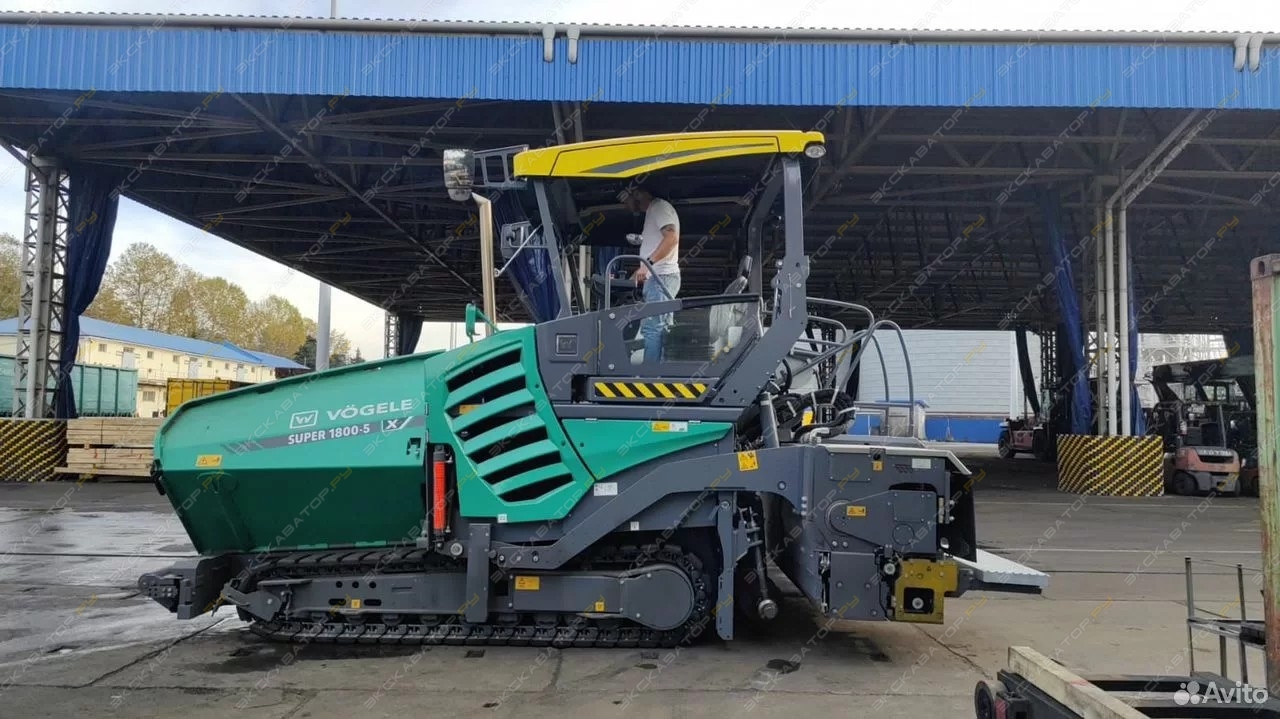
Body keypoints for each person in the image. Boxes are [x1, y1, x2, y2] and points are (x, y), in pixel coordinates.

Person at [619, 187, 681, 363]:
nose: (626, 205)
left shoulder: (658, 207)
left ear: (638, 194)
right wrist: (638, 273)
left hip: (661, 279)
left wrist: (647, 265)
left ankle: (650, 374)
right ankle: (658, 371)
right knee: (660, 329)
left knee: (653, 329)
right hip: (658, 278)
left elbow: (671, 238)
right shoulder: (654, 212)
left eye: (626, 199)